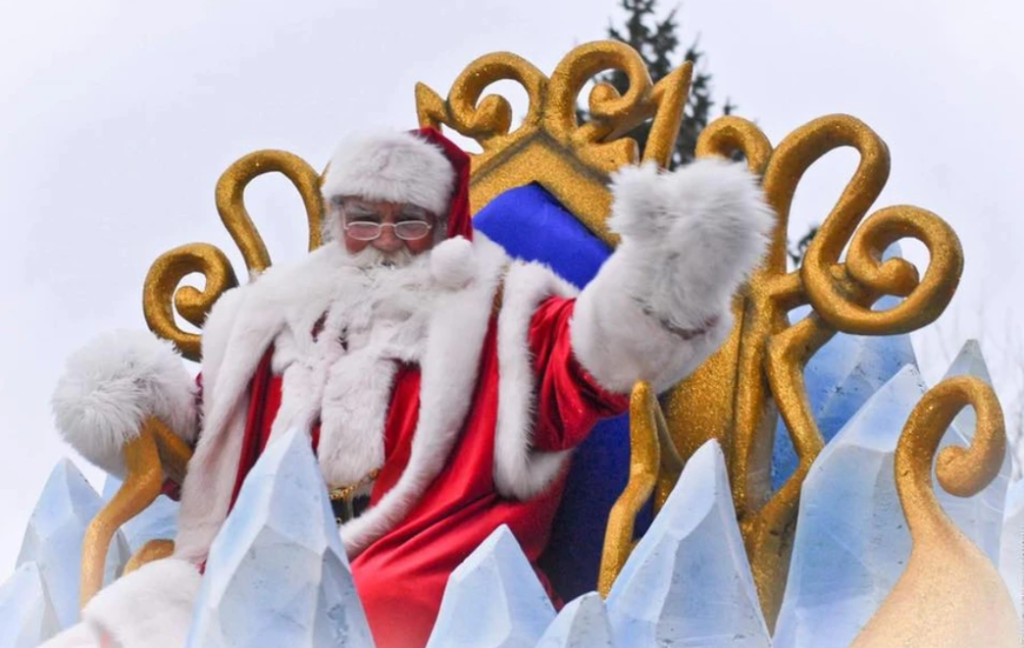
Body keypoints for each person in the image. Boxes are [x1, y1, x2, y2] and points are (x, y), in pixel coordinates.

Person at [45, 128, 773, 648]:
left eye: (408, 221)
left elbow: (595, 357)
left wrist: (671, 271)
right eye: (363, 220)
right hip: (255, 571)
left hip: (429, 585)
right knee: (139, 609)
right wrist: (133, 403)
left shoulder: (508, 323)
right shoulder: (282, 329)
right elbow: (203, 440)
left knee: (357, 612)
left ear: (445, 226)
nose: (385, 240)